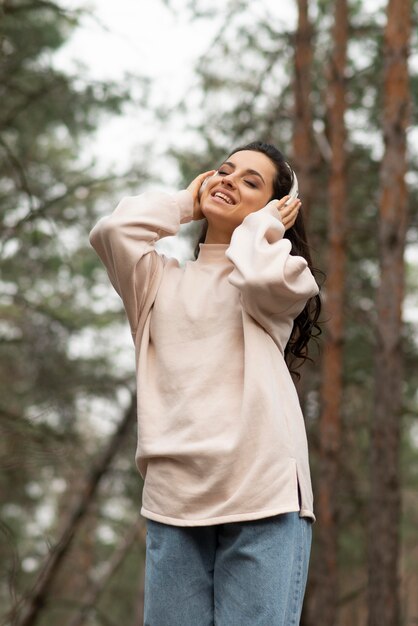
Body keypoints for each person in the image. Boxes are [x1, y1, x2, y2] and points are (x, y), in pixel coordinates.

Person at [89, 140, 322, 625]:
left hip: (263, 491)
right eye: (224, 170)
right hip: (175, 498)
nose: (229, 181)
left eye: (250, 182)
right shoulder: (156, 283)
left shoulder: (278, 276)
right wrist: (183, 203)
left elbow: (257, 274)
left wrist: (264, 227)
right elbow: (114, 230)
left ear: (278, 210)